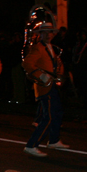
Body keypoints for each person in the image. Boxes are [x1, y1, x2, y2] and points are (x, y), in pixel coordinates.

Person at [22, 19, 68, 157]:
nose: (48, 35)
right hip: (44, 86)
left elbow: (56, 65)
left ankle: (54, 140)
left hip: (52, 85)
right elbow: (27, 63)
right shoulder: (38, 48)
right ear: (40, 34)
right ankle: (31, 145)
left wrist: (59, 73)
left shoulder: (51, 47)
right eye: (45, 32)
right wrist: (41, 75)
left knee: (57, 113)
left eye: (50, 32)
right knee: (48, 116)